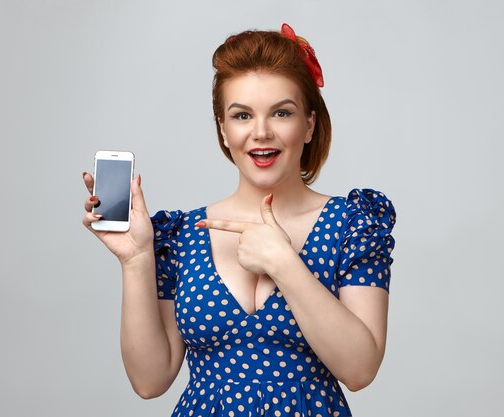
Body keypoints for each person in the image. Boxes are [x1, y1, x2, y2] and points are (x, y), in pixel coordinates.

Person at [82, 23, 396, 417]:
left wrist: (283, 263)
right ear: (223, 130)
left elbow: (360, 369)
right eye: (242, 115)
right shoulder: (182, 235)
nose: (261, 133)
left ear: (309, 125)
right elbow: (150, 380)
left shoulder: (354, 224)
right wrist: (136, 261)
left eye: (282, 112)